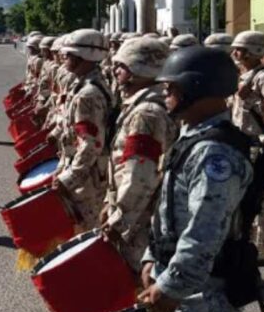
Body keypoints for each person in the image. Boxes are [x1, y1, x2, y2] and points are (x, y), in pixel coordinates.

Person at [139, 46, 253, 312]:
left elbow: (205, 229)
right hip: (178, 281)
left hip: (204, 298)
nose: (165, 92)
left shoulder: (215, 153)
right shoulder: (193, 137)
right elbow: (169, 212)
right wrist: (152, 255)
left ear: (197, 89)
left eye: (172, 87)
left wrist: (171, 286)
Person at [101, 37, 177, 272]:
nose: (115, 70)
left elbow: (139, 176)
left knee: (135, 285)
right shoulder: (142, 106)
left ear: (140, 69)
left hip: (140, 221)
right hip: (135, 213)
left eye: (121, 65)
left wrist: (119, 221)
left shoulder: (147, 114)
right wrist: (109, 202)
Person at [49, 29, 112, 229]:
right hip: (82, 171)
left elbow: (91, 144)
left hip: (87, 179)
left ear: (83, 56)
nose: (64, 58)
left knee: (84, 230)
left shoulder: (88, 94)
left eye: (68, 54)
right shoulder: (84, 85)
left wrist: (69, 179)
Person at [230, 30, 264, 263]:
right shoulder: (243, 76)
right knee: (244, 197)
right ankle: (246, 242)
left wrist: (249, 98)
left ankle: (263, 248)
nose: (235, 53)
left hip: (262, 144)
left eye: (239, 49)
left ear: (254, 52)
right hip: (243, 143)